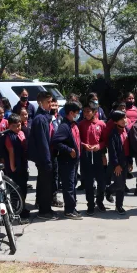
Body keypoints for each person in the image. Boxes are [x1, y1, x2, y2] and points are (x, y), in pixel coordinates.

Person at [28, 91, 58, 220]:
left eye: (51, 101)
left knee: (44, 182)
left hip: (48, 156)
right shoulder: (40, 118)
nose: (50, 104)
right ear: (40, 103)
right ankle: (44, 211)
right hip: (44, 157)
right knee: (46, 184)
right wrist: (47, 160)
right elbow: (43, 141)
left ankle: (42, 204)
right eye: (48, 102)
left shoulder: (46, 116)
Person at [51, 101, 82, 220]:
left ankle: (72, 207)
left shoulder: (73, 124)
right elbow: (56, 142)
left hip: (74, 161)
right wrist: (69, 150)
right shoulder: (64, 126)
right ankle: (69, 210)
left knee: (73, 184)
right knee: (68, 186)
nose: (78, 115)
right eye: (77, 113)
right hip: (67, 161)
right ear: (70, 113)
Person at [78, 105, 107, 215]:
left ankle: (99, 201)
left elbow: (105, 140)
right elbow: (77, 138)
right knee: (89, 182)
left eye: (88, 111)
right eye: (84, 111)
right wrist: (84, 145)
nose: (86, 114)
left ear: (95, 112)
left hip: (98, 154)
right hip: (86, 155)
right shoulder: (81, 124)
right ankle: (90, 204)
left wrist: (99, 146)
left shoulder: (101, 124)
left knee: (101, 181)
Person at [1, 114, 30, 219]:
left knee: (23, 187)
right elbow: (11, 152)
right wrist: (12, 167)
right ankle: (16, 210)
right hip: (14, 166)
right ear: (9, 126)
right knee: (15, 190)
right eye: (15, 126)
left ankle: (22, 207)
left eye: (19, 125)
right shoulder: (8, 137)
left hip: (23, 164)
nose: (18, 128)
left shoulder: (21, 133)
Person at [107, 110, 132, 215]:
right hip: (117, 163)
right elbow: (112, 152)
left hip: (125, 161)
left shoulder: (127, 130)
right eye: (121, 119)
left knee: (122, 184)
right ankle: (108, 191)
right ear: (116, 122)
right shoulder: (113, 134)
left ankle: (119, 206)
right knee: (120, 184)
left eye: (125, 118)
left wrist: (130, 162)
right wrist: (116, 165)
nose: (124, 120)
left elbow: (130, 148)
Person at [50, 97, 63, 207]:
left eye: (56, 105)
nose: (54, 107)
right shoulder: (47, 118)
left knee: (57, 176)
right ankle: (48, 198)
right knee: (51, 176)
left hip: (60, 151)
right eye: (52, 105)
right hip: (51, 151)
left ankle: (54, 196)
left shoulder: (60, 118)